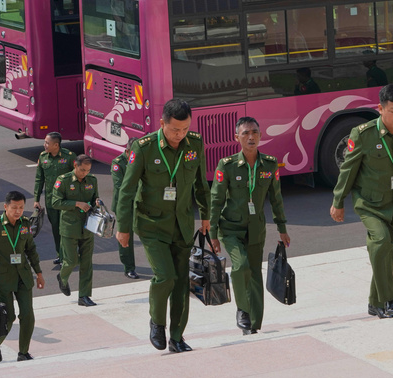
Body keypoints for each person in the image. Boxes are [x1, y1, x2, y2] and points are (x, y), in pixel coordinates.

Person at [116, 99, 211, 353]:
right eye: (175, 130)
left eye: (185, 129)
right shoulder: (144, 148)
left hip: (182, 223)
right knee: (166, 276)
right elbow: (126, 191)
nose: (180, 135)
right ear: (162, 123)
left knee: (181, 283)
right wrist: (123, 228)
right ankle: (157, 322)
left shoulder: (195, 144)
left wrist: (206, 216)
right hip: (152, 224)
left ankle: (177, 337)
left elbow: (201, 183)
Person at [331, 84, 393, 319]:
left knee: (389, 252)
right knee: (382, 241)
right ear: (380, 109)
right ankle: (389, 299)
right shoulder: (363, 134)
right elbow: (348, 170)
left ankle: (374, 303)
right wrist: (338, 201)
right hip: (369, 203)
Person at [210, 117, 290, 335]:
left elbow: (276, 198)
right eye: (245, 133)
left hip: (256, 228)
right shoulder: (227, 165)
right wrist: (213, 233)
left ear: (260, 135)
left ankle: (254, 324)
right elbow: (216, 200)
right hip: (231, 228)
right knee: (241, 265)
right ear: (237, 137)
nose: (251, 137)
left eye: (254, 132)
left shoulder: (270, 164)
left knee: (254, 273)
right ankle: (243, 310)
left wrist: (282, 228)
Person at [0, 191, 45, 362]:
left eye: (21, 208)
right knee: (8, 317)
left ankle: (23, 352)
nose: (18, 211)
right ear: (5, 207)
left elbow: (31, 249)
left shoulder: (25, 224)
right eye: (14, 207)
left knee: (28, 315)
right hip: (2, 279)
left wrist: (39, 273)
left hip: (23, 276)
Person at [51, 155, 100, 307]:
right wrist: (77, 204)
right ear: (75, 165)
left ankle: (84, 296)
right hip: (69, 227)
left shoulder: (92, 180)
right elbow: (55, 202)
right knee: (71, 261)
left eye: (88, 170)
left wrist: (97, 203)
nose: (85, 173)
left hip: (87, 227)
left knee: (87, 263)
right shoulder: (63, 180)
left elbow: (95, 198)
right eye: (82, 170)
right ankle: (62, 277)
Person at [33, 132, 74, 267]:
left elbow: (78, 176)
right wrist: (36, 199)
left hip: (66, 201)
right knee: (56, 228)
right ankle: (60, 254)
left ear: (56, 145)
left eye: (47, 143)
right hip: (51, 200)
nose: (44, 145)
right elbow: (39, 179)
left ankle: (67, 256)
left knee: (66, 229)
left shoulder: (69, 156)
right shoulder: (43, 157)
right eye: (45, 142)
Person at [111, 138, 141, 279]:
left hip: (140, 203)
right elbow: (121, 186)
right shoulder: (118, 163)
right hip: (125, 205)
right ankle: (129, 267)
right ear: (128, 152)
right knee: (125, 236)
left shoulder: (142, 159)